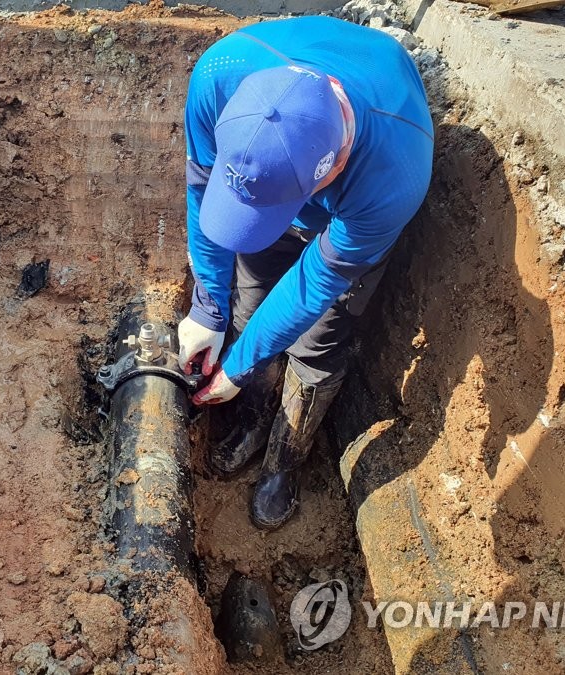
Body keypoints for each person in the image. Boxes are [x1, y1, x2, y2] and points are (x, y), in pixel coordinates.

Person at [178, 16, 434, 529]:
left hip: (346, 223)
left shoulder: (392, 174)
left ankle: (284, 460)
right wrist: (208, 307)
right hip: (281, 181)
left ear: (335, 164)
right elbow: (203, 189)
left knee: (315, 343)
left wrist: (237, 364)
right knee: (248, 309)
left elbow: (316, 280)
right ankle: (253, 416)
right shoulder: (220, 75)